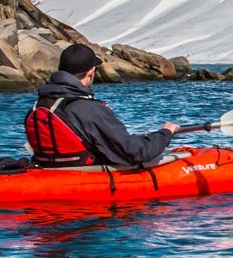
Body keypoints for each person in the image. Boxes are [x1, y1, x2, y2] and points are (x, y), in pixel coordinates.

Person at [25, 44, 180, 168]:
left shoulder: (40, 104)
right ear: (91, 72)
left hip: (49, 170)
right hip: (85, 176)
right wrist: (165, 134)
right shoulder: (88, 109)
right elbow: (134, 152)